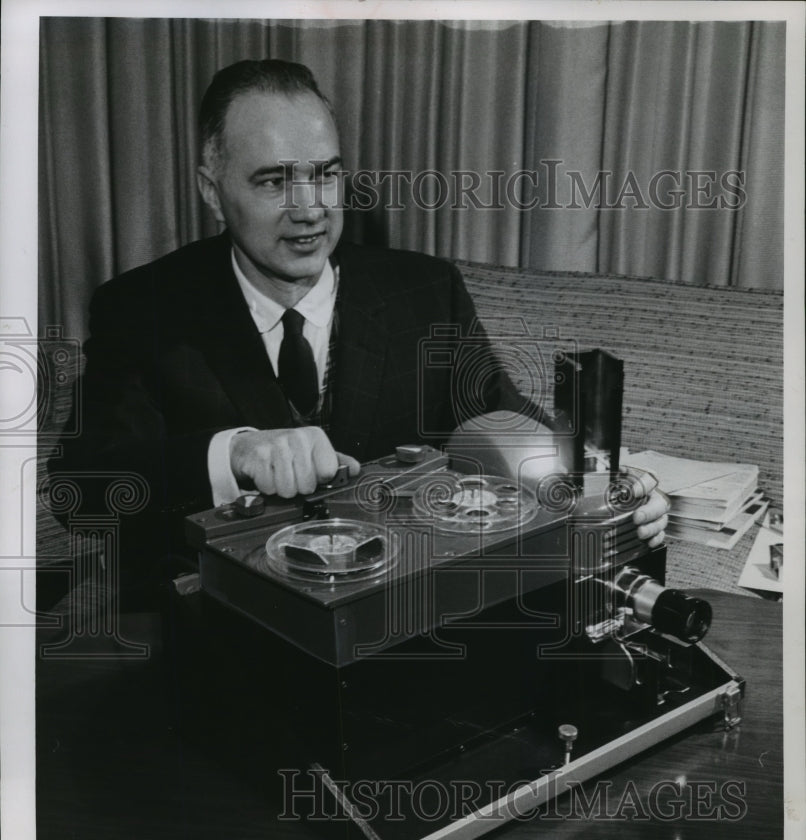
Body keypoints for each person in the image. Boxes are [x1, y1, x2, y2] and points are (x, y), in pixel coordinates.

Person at [51, 58, 667, 602]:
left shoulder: (425, 293)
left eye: (325, 173)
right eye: (272, 180)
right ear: (213, 192)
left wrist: (613, 491)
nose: (309, 207)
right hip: (213, 628)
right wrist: (233, 453)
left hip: (401, 628)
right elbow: (83, 489)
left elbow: (510, 427)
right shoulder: (141, 307)